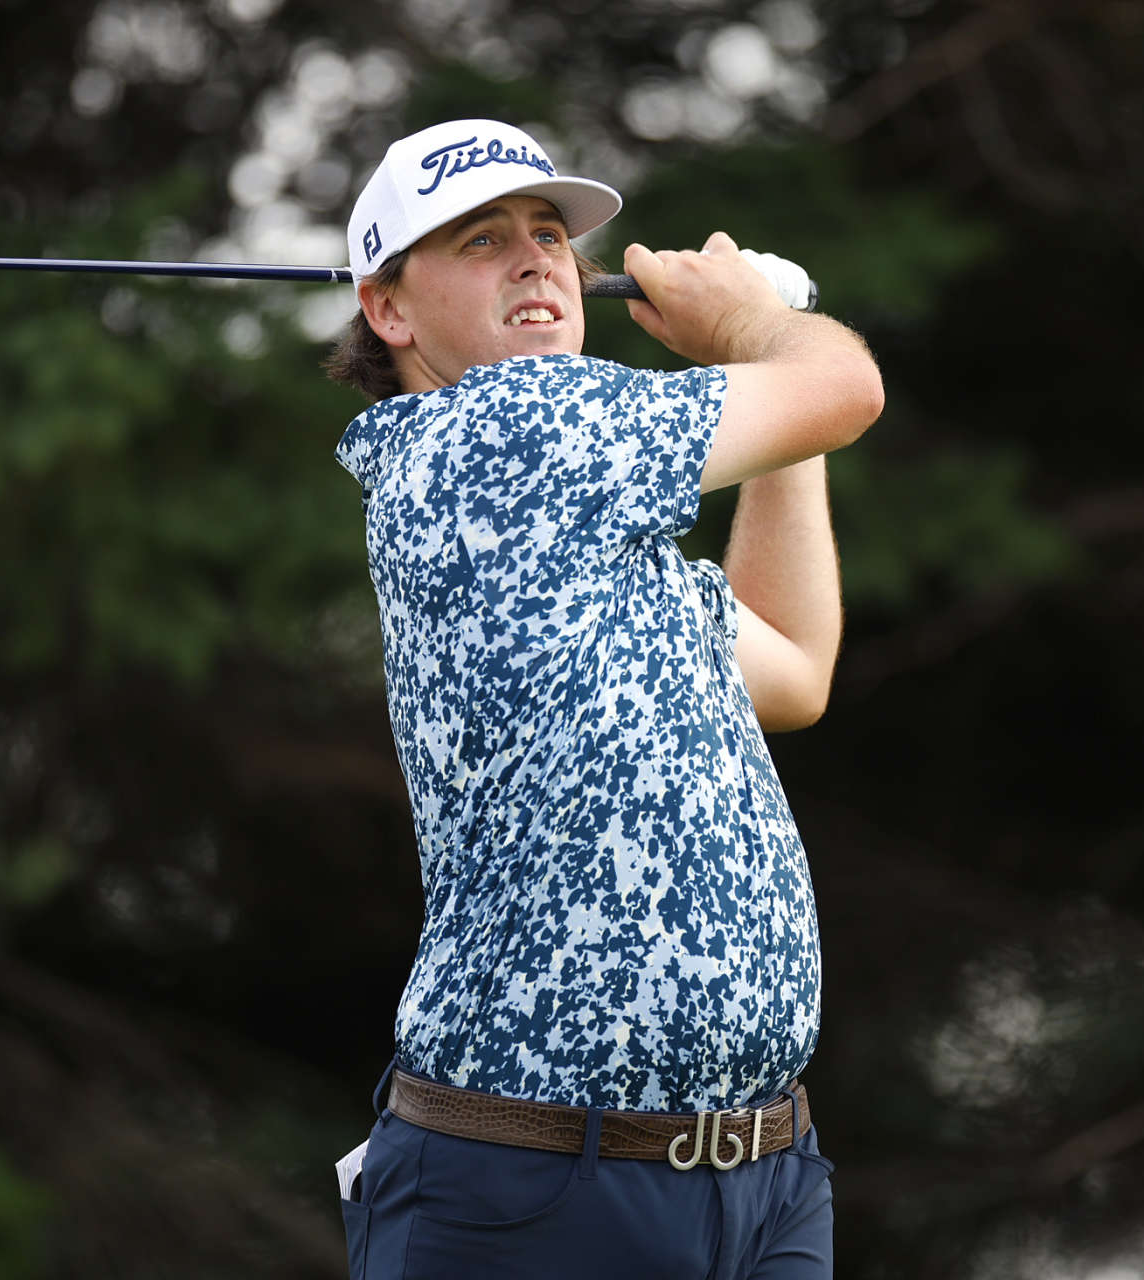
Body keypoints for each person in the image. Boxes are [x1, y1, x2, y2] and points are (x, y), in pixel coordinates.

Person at [326, 119, 883, 1279]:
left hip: (763, 1178)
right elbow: (844, 382)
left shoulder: (594, 537)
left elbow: (792, 665)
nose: (537, 260)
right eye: (481, 241)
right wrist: (752, 321)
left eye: (549, 235)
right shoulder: (501, 433)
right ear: (391, 310)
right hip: (540, 1195)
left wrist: (773, 402)